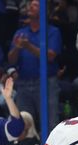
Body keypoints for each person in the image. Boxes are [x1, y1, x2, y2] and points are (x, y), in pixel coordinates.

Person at [7, 0, 63, 128]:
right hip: (23, 83)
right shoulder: (20, 32)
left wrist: (28, 46)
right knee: (23, 123)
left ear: (45, 11)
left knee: (50, 122)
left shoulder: (52, 31)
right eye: (30, 5)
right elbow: (11, 60)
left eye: (36, 5)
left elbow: (50, 56)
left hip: (46, 83)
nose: (30, 7)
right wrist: (17, 48)